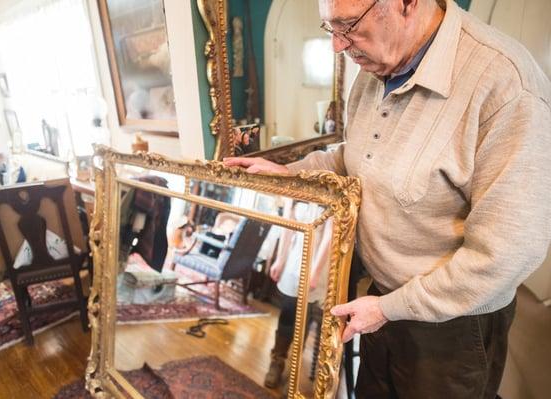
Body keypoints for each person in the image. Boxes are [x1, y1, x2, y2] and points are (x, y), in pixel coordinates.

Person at [224, 0, 551, 397]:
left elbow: (506, 252)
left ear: (407, 4)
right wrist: (291, 173)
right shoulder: (378, 66)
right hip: (380, 304)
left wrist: (388, 308)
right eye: (331, 29)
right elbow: (355, 158)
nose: (338, 47)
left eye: (348, 26)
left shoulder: (505, 84)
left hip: (452, 330)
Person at [264, 200, 332, 389]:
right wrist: (280, 259)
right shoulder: (294, 192)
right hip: (294, 260)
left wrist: (315, 272)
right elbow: (288, 228)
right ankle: (276, 362)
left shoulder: (331, 188)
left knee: (304, 318)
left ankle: (293, 374)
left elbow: (330, 234)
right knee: (287, 313)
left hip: (319, 261)